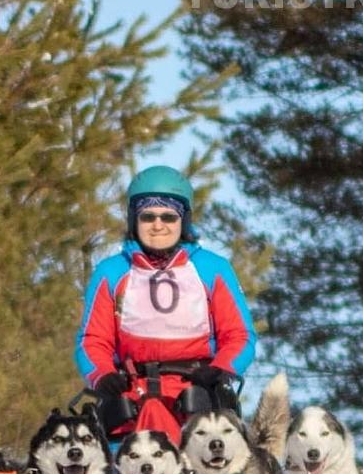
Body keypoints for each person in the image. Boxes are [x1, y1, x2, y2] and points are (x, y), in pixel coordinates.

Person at [74, 165, 256, 444]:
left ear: (184, 220)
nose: (158, 225)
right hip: (131, 402)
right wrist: (103, 375)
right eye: (148, 217)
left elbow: (239, 335)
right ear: (134, 219)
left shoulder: (212, 268)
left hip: (196, 400)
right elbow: (92, 340)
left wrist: (221, 370)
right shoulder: (111, 272)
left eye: (168, 217)